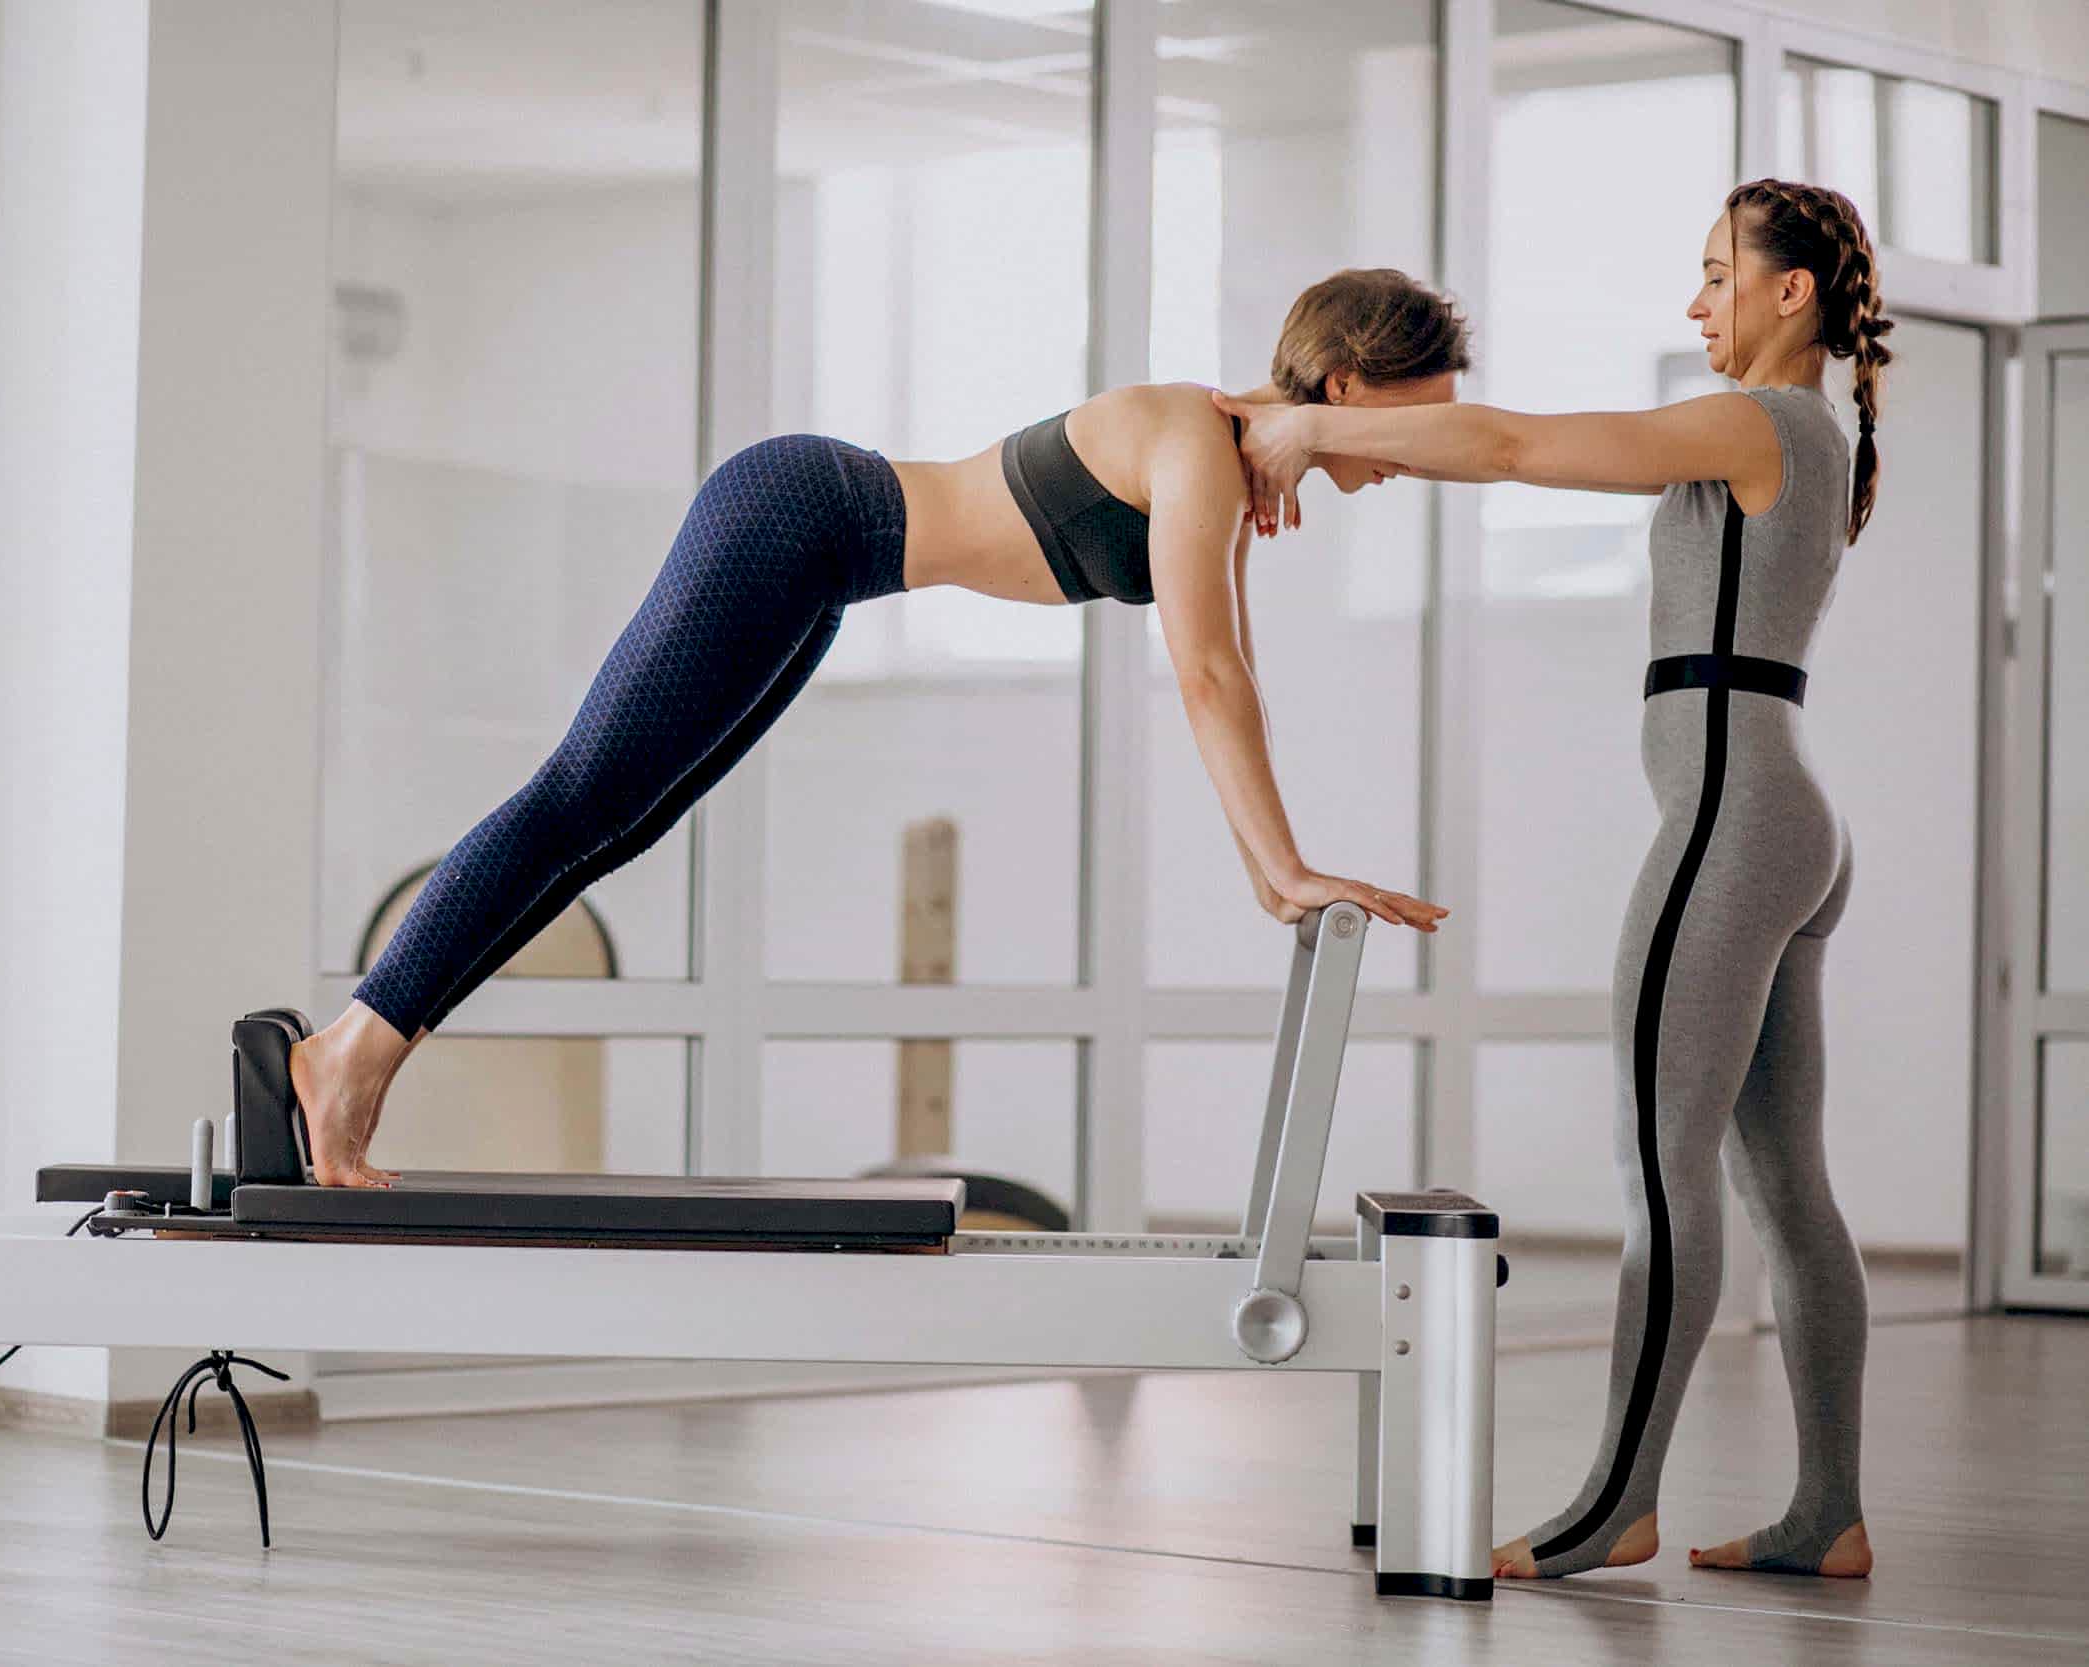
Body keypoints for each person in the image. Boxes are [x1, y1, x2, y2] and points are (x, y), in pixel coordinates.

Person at [286, 268, 1467, 1190]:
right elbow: (1205, 675)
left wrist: (1274, 876)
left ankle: (361, 1046)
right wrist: (1283, 864)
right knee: (582, 792)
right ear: (1349, 386)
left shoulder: (1228, 471)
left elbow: (1237, 671)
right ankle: (350, 1049)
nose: (1418, 462)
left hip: (828, 567)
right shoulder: (1194, 443)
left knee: (613, 828)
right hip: (797, 516)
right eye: (1417, 428)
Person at [1219, 179, 1891, 1582]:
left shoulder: (1763, 418)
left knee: (1661, 1164)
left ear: (1792, 296)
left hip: (1731, 818)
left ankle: (1613, 1504)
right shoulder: (1813, 433)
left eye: (1717, 275)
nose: (1695, 302)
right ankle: (1828, 1508)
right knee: (1786, 1183)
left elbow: (1517, 443)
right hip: (1782, 819)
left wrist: (1311, 423)